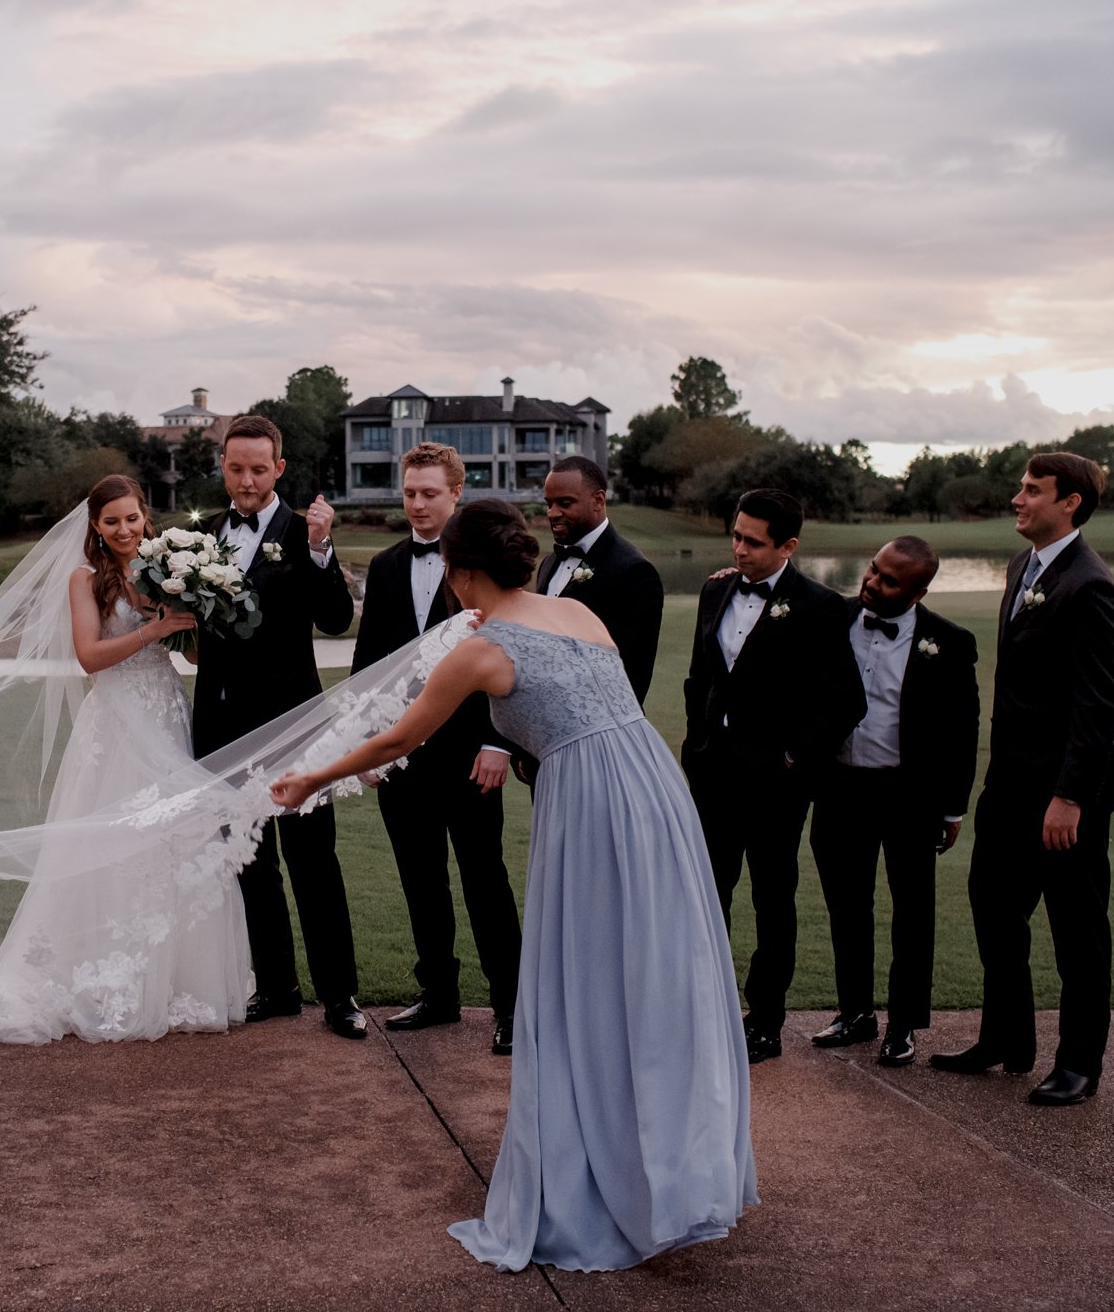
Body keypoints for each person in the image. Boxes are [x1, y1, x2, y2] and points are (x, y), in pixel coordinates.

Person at [272, 499, 756, 1273]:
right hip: (656, 794)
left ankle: (608, 1181)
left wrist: (312, 777)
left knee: (588, 984)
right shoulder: (576, 611)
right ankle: (674, 1167)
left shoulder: (482, 646)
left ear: (465, 572)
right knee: (658, 974)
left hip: (593, 807)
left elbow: (402, 737)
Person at [0, 476, 252, 1042]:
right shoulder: (84, 579)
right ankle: (101, 979)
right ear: (95, 528)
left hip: (168, 719)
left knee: (177, 842)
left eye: (132, 519)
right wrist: (154, 629)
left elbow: (197, 653)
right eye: (112, 522)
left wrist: (199, 611)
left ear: (146, 517)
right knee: (109, 846)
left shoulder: (169, 567)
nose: (124, 530)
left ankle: (178, 980)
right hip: (116, 725)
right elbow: (89, 657)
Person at [933, 454, 1114, 1106]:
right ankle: (1006, 1040)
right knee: (993, 907)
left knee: (1077, 930)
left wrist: (1069, 796)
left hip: (1065, 794)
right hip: (1009, 784)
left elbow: (1098, 705)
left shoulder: (1091, 585)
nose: (1017, 498)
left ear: (1069, 502)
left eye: (1031, 490)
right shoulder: (1024, 566)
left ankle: (1079, 1064)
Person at [194, 416, 365, 1040]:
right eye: (235, 468)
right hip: (219, 723)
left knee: (313, 860)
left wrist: (321, 550)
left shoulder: (303, 532)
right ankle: (277, 987)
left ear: (279, 470)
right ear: (223, 467)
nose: (245, 480)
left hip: (295, 725)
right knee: (249, 859)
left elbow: (337, 618)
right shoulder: (204, 535)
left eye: (258, 470)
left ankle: (340, 996)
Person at [682, 488, 865, 1064]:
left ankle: (765, 1019)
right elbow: (699, 679)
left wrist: (793, 758)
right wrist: (696, 746)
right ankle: (701, 1010)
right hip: (714, 772)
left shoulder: (823, 607)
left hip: (777, 785)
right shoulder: (714, 590)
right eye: (735, 536)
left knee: (772, 899)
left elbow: (845, 703)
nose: (739, 549)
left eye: (753, 542)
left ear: (788, 546)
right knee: (706, 895)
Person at [352, 443, 520, 1055]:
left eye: (429, 494)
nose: (417, 505)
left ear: (457, 493)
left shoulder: (489, 566)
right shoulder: (388, 563)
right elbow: (368, 665)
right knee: (420, 880)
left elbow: (513, 653)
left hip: (473, 754)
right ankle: (439, 995)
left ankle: (512, 1006)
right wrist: (367, 744)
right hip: (402, 755)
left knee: (485, 881)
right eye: (409, 493)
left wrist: (497, 742)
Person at [807, 537, 979, 1066]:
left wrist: (952, 808)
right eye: (873, 571)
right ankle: (856, 1013)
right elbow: (777, 594)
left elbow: (962, 729)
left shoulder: (949, 641)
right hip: (840, 788)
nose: (872, 584)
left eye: (889, 581)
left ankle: (903, 1024)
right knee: (847, 906)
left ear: (920, 591)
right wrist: (727, 575)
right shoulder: (831, 617)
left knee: (912, 912)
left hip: (909, 795)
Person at [535, 456, 664, 705]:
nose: (552, 513)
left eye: (564, 503)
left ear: (598, 501)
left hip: (598, 728)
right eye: (548, 504)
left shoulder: (635, 571)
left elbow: (632, 675)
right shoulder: (549, 564)